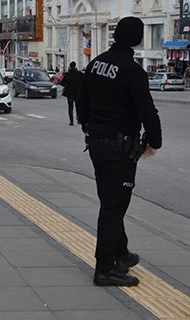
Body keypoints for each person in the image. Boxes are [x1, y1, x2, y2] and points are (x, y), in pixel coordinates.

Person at [76, 17, 162, 287]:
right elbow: (147, 110)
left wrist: (88, 126)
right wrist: (155, 142)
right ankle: (104, 268)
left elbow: (82, 99)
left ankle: (121, 254)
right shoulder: (132, 70)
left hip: (97, 143)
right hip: (119, 148)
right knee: (114, 207)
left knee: (110, 201)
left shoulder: (96, 62)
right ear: (136, 39)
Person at [60, 61, 84, 126]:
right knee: (78, 107)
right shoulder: (79, 74)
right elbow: (84, 81)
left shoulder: (67, 74)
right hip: (77, 93)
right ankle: (79, 119)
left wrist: (66, 86)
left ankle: (71, 121)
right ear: (75, 66)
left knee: (70, 107)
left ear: (70, 67)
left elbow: (61, 82)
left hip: (69, 93)